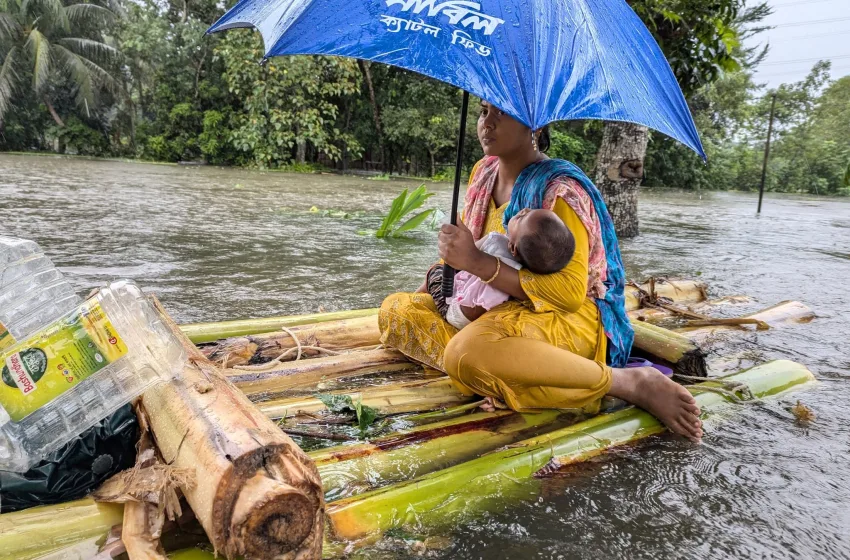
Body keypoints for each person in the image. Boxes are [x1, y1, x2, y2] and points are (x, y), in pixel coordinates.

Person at [379, 101, 702, 442]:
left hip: (558, 318)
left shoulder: (560, 192)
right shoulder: (481, 173)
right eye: (483, 112)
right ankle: (506, 375)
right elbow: (465, 262)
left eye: (500, 114)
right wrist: (443, 273)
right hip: (489, 309)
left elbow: (569, 293)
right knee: (396, 309)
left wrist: (477, 263)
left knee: (466, 354)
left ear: (535, 127)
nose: (486, 124)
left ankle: (625, 382)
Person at [427, 209, 576, 330]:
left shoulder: (498, 253)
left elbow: (471, 312)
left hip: (456, 312)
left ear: (512, 248)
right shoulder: (523, 273)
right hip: (464, 300)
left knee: (435, 272)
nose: (524, 210)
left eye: (521, 218)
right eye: (531, 210)